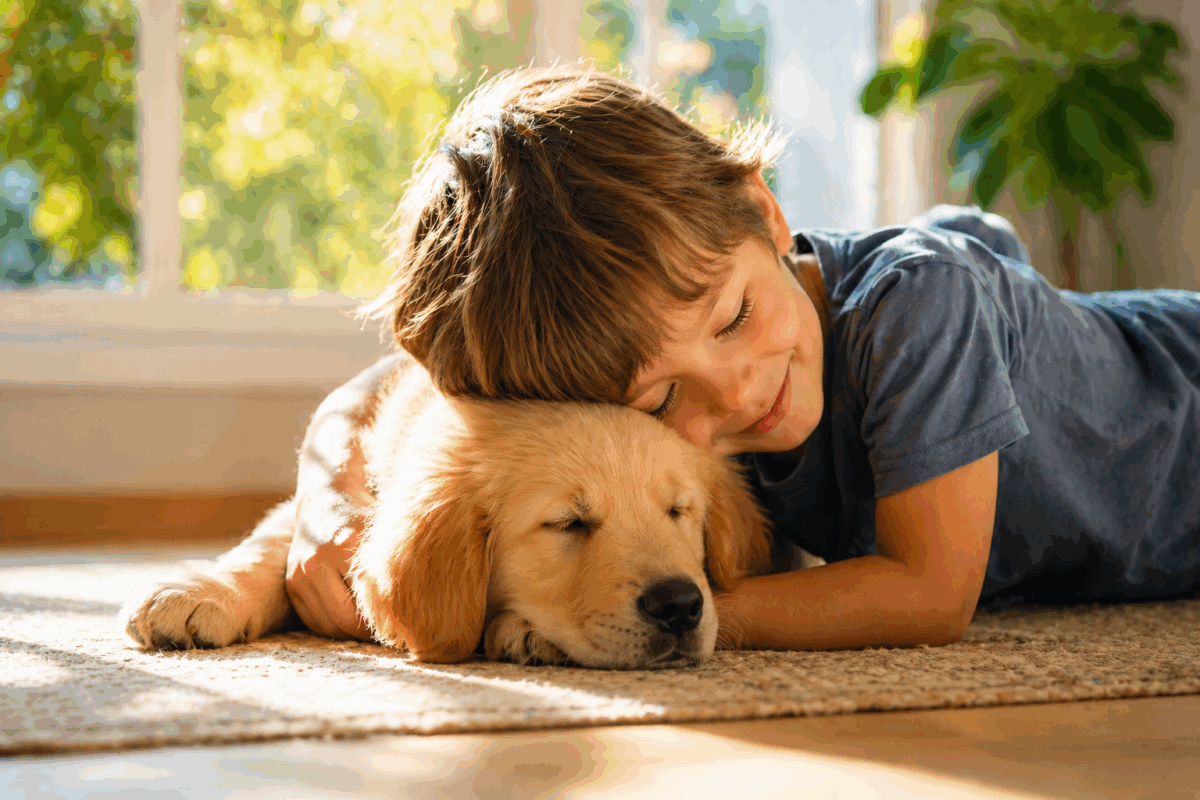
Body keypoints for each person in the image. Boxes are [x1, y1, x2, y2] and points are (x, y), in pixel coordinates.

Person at [284, 65, 1200, 652]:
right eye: (660, 398)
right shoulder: (678, 393)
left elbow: (928, 595)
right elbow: (396, 387)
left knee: (957, 273)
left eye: (734, 318)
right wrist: (329, 499)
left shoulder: (916, 310)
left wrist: (667, 614)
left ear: (765, 211)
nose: (735, 391)